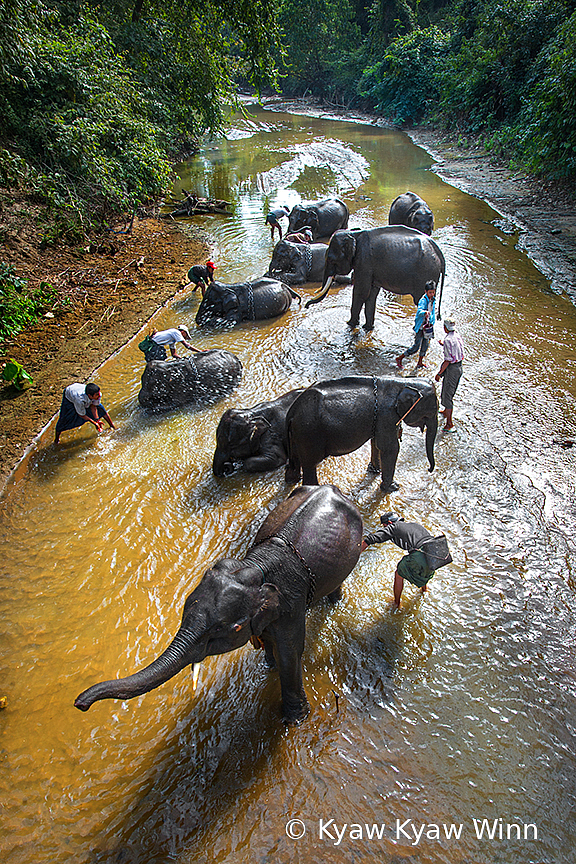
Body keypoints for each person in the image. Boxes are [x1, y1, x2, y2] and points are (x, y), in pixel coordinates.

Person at [362, 512, 439, 608]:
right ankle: (425, 590)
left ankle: (397, 603)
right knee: (423, 565)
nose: (385, 529)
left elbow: (370, 540)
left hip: (420, 555)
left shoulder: (394, 527)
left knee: (398, 574)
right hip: (436, 555)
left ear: (390, 523)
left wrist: (353, 555)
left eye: (385, 526)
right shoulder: (413, 525)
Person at [396, 281, 436, 370]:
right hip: (421, 327)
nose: (432, 294)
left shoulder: (433, 300)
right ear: (426, 292)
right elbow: (419, 311)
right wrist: (425, 312)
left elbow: (433, 311)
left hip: (428, 326)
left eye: (433, 292)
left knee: (425, 346)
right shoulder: (423, 300)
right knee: (416, 347)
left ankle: (420, 362)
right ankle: (399, 358)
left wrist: (432, 321)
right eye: (430, 292)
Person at [435, 318, 464, 432]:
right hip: (458, 366)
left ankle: (449, 424)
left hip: (452, 369)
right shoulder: (456, 335)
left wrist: (439, 373)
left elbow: (447, 361)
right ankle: (445, 411)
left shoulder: (447, 340)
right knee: (448, 391)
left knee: (447, 395)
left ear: (445, 327)